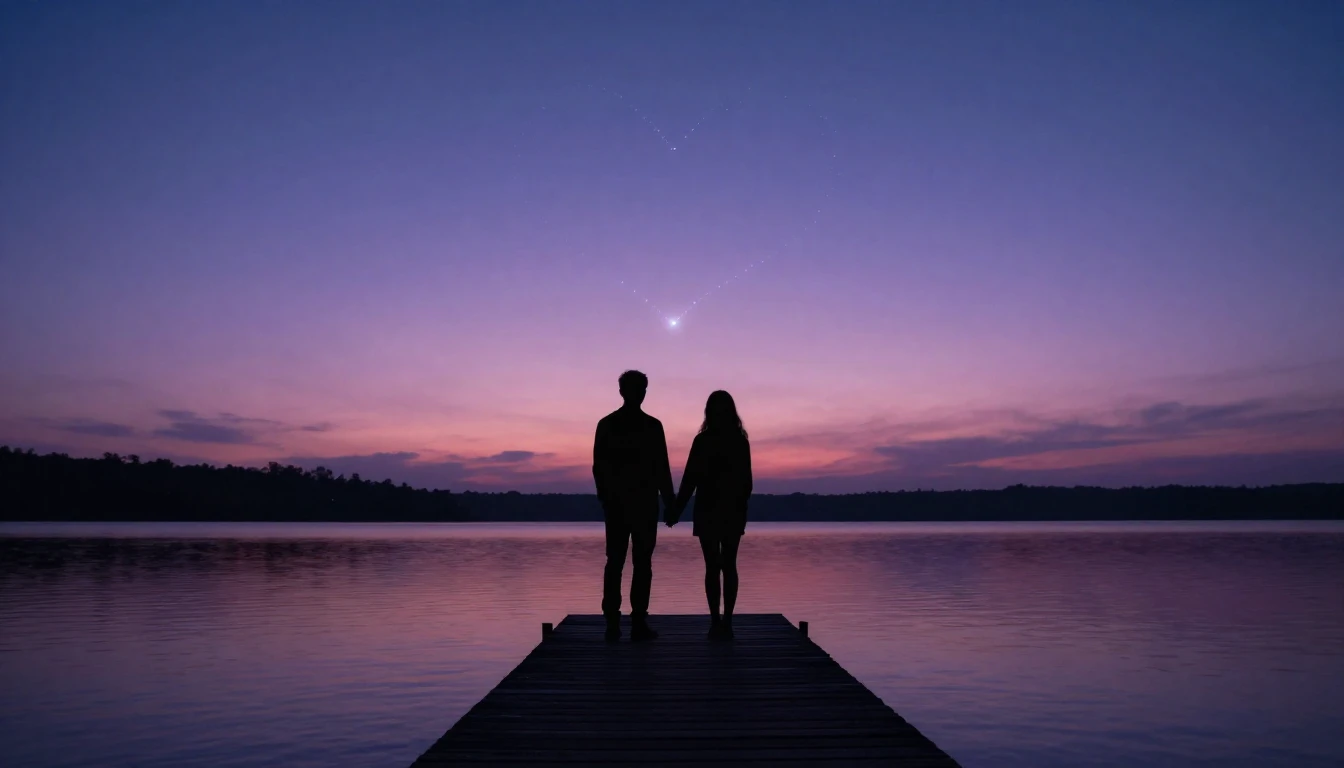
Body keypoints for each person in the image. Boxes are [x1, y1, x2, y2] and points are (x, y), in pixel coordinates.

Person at [592, 369, 676, 642]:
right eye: (637, 389)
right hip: (634, 505)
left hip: (628, 505)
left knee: (621, 562)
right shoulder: (650, 426)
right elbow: (661, 469)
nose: (638, 393)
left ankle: (620, 623)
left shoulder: (610, 424)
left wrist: (605, 496)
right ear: (637, 392)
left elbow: (599, 467)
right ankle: (630, 622)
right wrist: (670, 502)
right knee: (634, 563)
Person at [668, 390, 752, 639]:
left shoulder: (706, 441)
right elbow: (745, 483)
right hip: (723, 510)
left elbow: (690, 480)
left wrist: (676, 510)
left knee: (716, 566)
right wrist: (677, 510)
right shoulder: (737, 440)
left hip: (715, 509)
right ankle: (723, 621)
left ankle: (719, 621)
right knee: (725, 565)